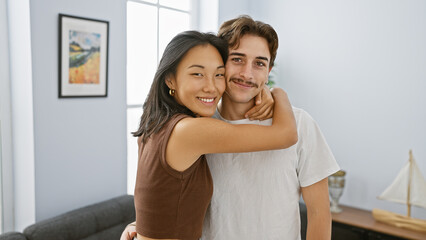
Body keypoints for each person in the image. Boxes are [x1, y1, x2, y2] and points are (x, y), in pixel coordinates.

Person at [122, 16, 339, 240]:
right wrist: (139, 224)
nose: (247, 74)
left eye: (259, 64)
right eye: (237, 59)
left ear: (268, 71)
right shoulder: (198, 125)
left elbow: (319, 212)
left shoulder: (300, 123)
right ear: (221, 63)